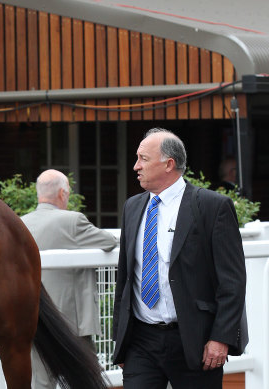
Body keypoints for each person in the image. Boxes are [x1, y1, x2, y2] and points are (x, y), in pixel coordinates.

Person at [112, 128, 247, 388]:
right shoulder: (132, 207)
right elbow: (125, 279)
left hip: (196, 341)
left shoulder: (212, 207)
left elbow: (232, 281)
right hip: (141, 341)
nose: (135, 166)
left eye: (143, 159)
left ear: (169, 164)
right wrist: (122, 341)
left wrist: (221, 337)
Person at [21, 169, 118, 389]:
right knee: (86, 379)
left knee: (41, 382)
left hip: (34, 318)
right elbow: (109, 241)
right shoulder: (72, 220)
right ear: (63, 193)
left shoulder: (21, 223)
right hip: (71, 321)